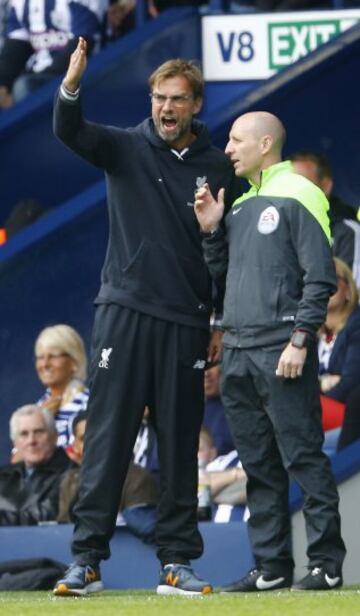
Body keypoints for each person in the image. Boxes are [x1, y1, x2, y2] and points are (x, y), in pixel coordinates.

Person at [52, 37, 240, 597]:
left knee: (180, 443)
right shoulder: (125, 146)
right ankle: (85, 562)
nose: (165, 107)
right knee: (107, 439)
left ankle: (177, 562)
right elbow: (69, 130)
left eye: (177, 99)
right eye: (159, 97)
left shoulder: (218, 168)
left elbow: (223, 256)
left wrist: (218, 321)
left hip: (186, 321)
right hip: (124, 314)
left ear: (196, 105)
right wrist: (71, 83)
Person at [194, 110, 346, 592]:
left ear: (265, 144)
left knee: (303, 457)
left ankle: (325, 563)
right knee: (257, 464)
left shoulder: (301, 193)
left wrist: (301, 339)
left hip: (281, 346)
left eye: (236, 140)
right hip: (237, 349)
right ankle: (273, 565)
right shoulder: (237, 205)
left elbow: (320, 276)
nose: (228, 150)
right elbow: (222, 277)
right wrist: (213, 230)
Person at [57, 413, 160, 544]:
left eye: (98, 436)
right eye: (84, 439)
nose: (91, 443)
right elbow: (62, 530)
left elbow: (144, 532)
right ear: (75, 446)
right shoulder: (69, 480)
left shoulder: (138, 479)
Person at [0, 0, 107, 109]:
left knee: (23, 87)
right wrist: (3, 84)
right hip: (40, 77)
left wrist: (37, 81)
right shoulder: (20, 3)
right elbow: (16, 45)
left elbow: (82, 44)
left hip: (89, 75)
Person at [290, 150, 360, 287]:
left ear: (326, 186)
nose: (294, 191)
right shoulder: (274, 228)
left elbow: (354, 297)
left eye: (303, 184)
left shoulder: (348, 231)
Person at [0, 405, 71, 525]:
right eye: (24, 434)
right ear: (14, 442)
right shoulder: (4, 475)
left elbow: (45, 516)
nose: (31, 441)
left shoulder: (74, 476)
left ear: (54, 436)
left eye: (39, 432)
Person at [318, 257, 360, 432]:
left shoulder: (356, 324)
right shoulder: (308, 331)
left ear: (349, 291)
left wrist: (314, 396)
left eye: (332, 278)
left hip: (348, 417)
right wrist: (322, 383)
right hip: (320, 410)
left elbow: (351, 382)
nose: (323, 285)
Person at [34, 324, 89, 454]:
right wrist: (41, 422)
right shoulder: (38, 408)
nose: (45, 364)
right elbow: (17, 465)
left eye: (53, 356)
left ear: (74, 362)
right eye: (40, 357)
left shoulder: (90, 404)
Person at [198, 426, 247, 523]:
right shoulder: (220, 463)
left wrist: (211, 491)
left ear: (212, 453)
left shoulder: (218, 464)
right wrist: (235, 474)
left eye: (199, 449)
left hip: (244, 530)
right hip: (208, 532)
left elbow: (258, 487)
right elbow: (196, 494)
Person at [203, 361, 234, 456]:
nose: (206, 373)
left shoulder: (242, 408)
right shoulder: (181, 412)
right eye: (200, 365)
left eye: (212, 365)